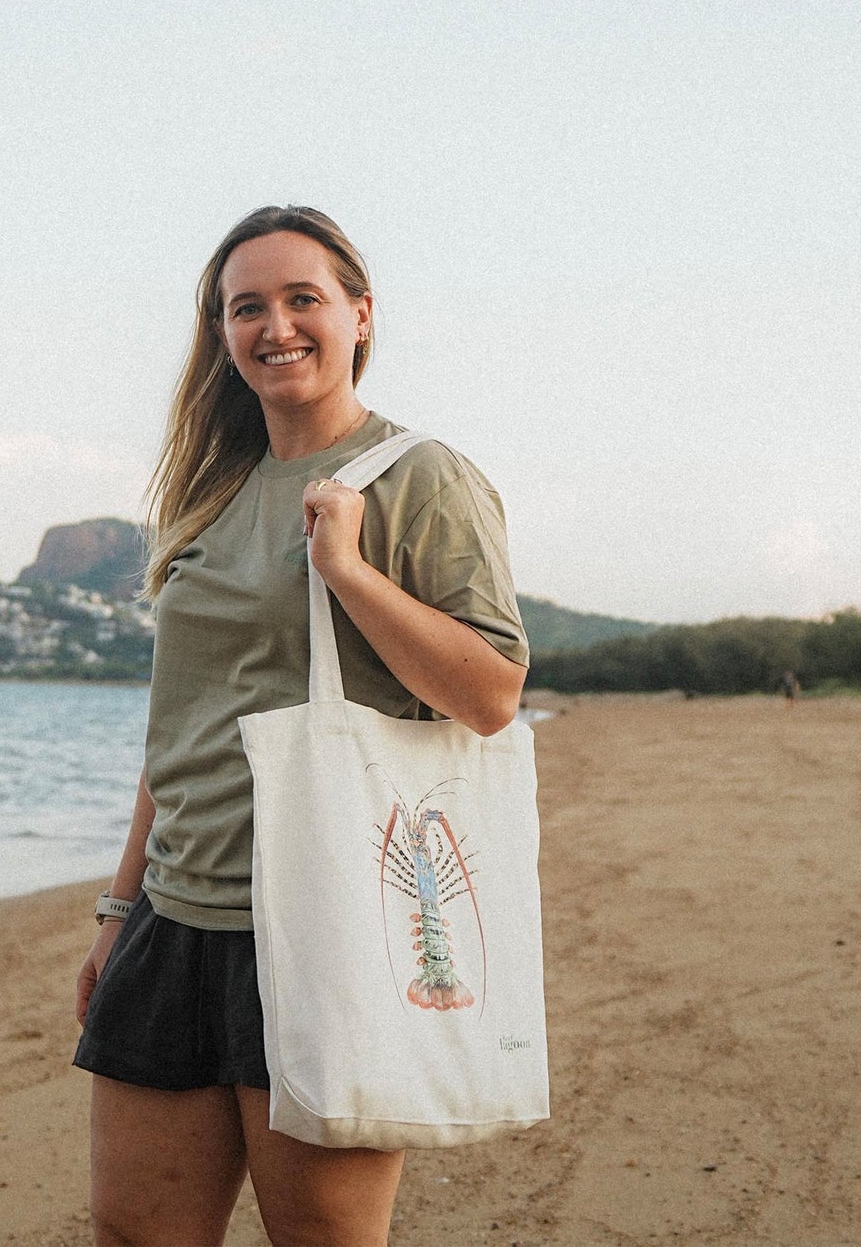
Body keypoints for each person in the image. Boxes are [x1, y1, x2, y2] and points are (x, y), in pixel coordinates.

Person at [71, 205, 530, 1246]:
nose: (273, 325)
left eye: (301, 298)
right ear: (221, 335)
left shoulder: (419, 475)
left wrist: (347, 571)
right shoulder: (212, 489)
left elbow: (491, 692)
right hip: (173, 920)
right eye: (245, 307)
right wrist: (118, 905)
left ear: (359, 317)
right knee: (134, 1232)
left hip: (328, 928)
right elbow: (179, 722)